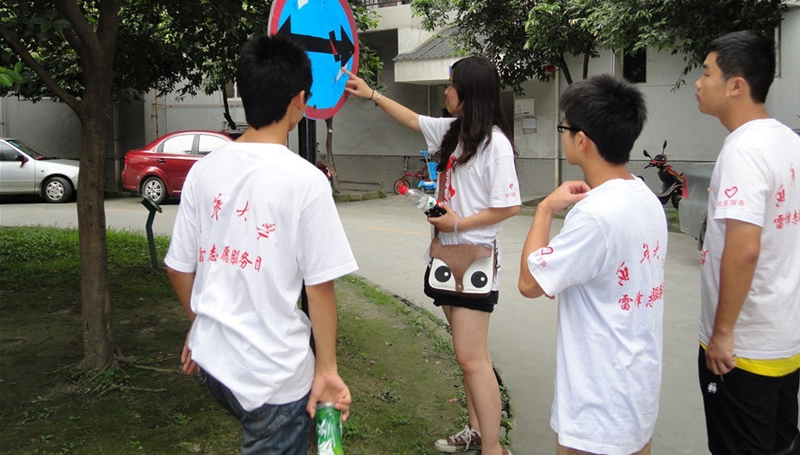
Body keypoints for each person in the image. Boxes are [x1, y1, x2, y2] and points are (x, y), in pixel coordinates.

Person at [164, 35, 358, 454]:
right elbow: (319, 287)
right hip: (272, 380)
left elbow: (179, 268)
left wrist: (202, 325)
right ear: (299, 101)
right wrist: (327, 369)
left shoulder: (204, 171)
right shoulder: (306, 181)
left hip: (213, 363)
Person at [344, 57, 520, 455]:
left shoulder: (495, 145)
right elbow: (411, 118)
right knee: (467, 356)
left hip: (474, 259)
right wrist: (372, 95)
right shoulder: (453, 132)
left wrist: (459, 223)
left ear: (471, 91)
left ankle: (494, 448)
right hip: (444, 257)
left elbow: (509, 206)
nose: (446, 90)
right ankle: (476, 431)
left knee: (472, 358)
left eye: (452, 84)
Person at [518, 74, 667, 455]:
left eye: (564, 128)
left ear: (582, 140)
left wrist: (545, 209)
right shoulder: (646, 199)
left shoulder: (594, 215)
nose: (563, 135)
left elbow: (530, 283)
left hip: (597, 406)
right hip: (638, 394)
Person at [693, 30, 800, 455]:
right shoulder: (789, 142)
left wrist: (722, 333)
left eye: (707, 73)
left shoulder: (743, 150)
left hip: (743, 349)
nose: (698, 83)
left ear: (736, 85)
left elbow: (745, 247)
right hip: (784, 338)